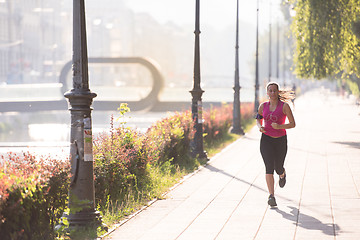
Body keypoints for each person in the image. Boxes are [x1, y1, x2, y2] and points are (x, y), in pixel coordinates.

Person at [256, 82, 296, 207]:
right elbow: (258, 118)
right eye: (270, 91)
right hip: (266, 139)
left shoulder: (284, 107)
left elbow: (293, 124)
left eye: (274, 90)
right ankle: (271, 196)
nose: (272, 93)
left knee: (278, 167)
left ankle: (282, 174)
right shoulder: (263, 106)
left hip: (280, 140)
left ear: (278, 92)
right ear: (267, 93)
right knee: (269, 167)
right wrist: (260, 126)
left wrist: (280, 126)